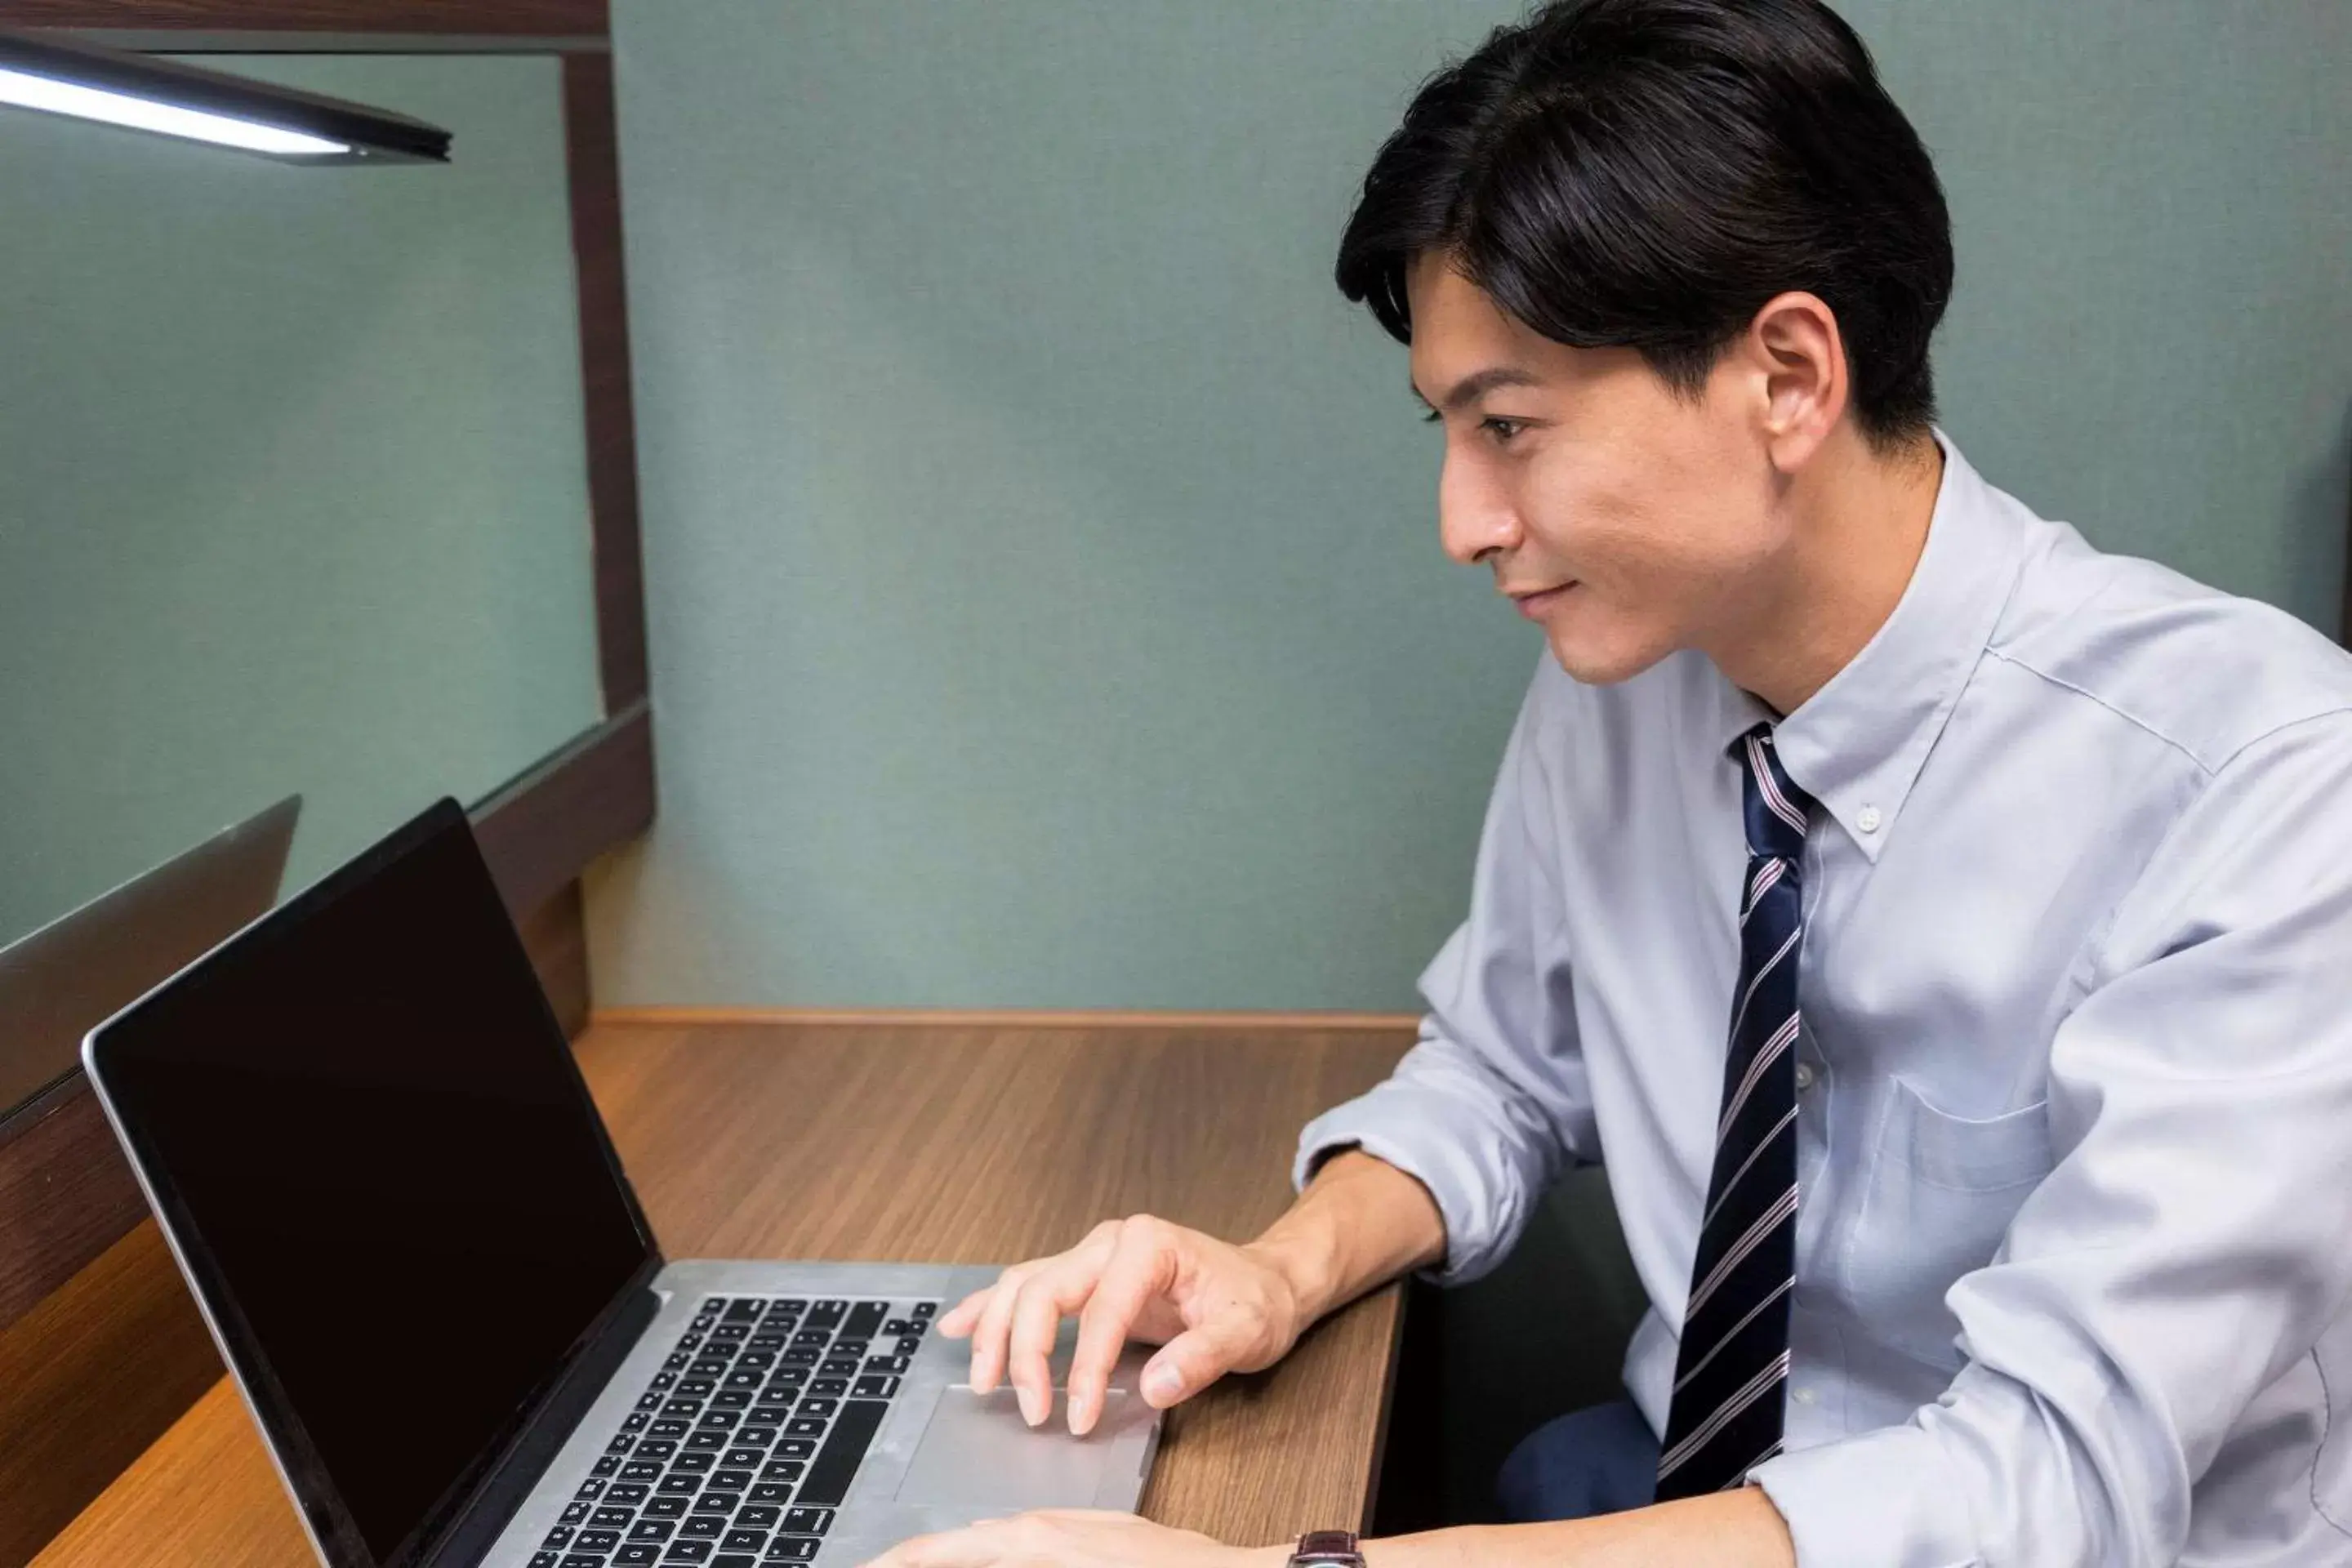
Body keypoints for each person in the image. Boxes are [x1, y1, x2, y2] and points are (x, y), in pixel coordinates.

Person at [856, 0, 2352, 1563]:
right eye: (1448, 430)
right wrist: (1276, 1269)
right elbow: (1501, 1071)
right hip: (1669, 1498)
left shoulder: (2271, 793)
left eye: (1510, 427)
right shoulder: (1635, 665)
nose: (1465, 521)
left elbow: (2050, 1482)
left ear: (1786, 375)